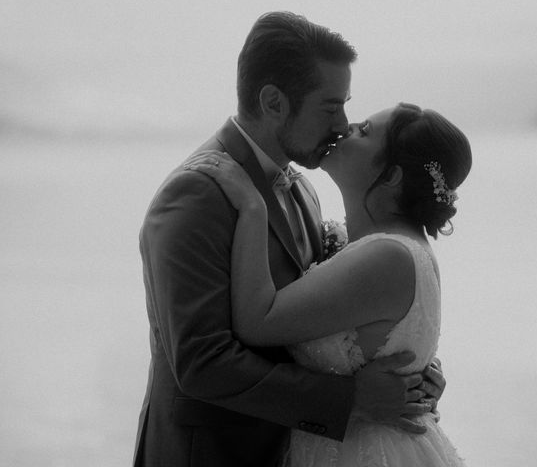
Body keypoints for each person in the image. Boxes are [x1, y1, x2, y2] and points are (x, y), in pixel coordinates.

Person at [134, 12, 445, 467]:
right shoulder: (198, 194)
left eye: (345, 105)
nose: (342, 123)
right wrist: (352, 400)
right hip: (211, 455)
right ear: (274, 102)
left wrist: (411, 368)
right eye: (329, 106)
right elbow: (201, 362)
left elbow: (334, 313)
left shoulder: (300, 187)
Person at [183, 102, 472, 466]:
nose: (347, 127)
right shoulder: (383, 245)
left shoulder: (387, 255)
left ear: (392, 175)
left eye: (365, 130)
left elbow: (258, 322)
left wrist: (252, 209)